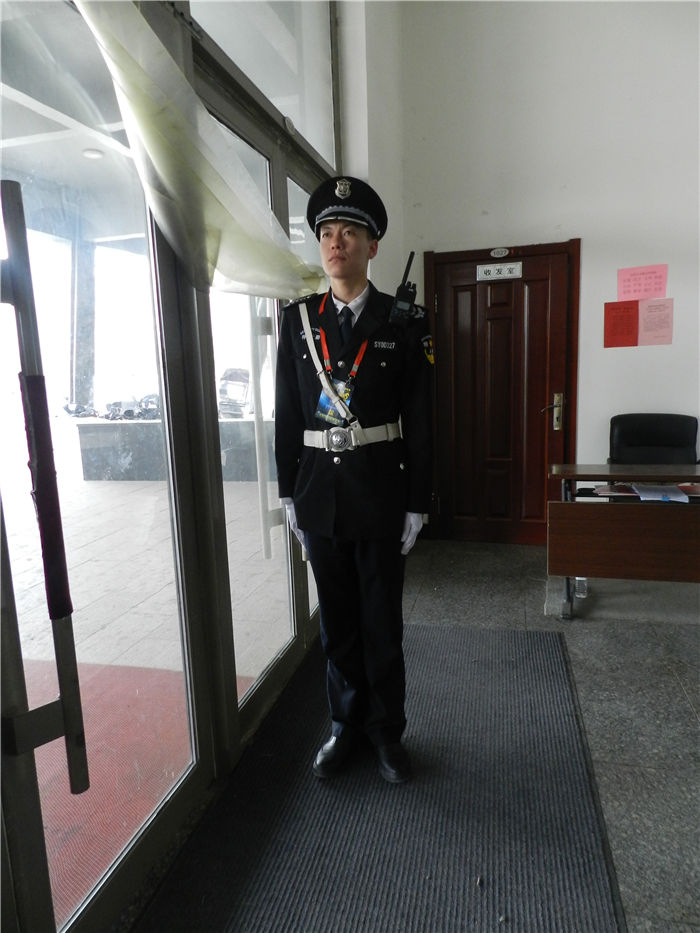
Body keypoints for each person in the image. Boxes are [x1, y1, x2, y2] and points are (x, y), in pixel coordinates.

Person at [274, 176, 433, 783]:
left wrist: (418, 500)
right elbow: (288, 412)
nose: (335, 243)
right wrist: (287, 490)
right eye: (326, 233)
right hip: (319, 494)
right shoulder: (298, 320)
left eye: (348, 232)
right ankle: (344, 727)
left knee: (381, 623)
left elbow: (421, 418)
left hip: (381, 493)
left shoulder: (404, 321)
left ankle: (386, 733)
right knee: (337, 625)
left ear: (372, 246)